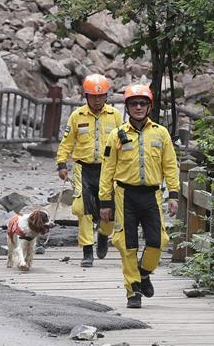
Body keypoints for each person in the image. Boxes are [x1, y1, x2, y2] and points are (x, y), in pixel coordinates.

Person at [98, 84, 179, 308]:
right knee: (127, 244)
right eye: (134, 103)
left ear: (150, 107)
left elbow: (170, 166)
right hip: (125, 195)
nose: (139, 107)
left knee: (158, 241)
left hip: (152, 195)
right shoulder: (116, 135)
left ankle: (144, 273)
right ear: (127, 107)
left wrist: (174, 194)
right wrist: (105, 201)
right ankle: (133, 290)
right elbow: (107, 170)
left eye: (143, 103)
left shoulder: (161, 133)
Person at [55, 74, 124, 267]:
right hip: (83, 168)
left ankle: (103, 234)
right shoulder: (77, 116)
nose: (97, 100)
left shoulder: (115, 116)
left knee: (109, 210)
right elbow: (67, 142)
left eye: (100, 96)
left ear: (106, 96)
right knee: (82, 209)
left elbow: (124, 142)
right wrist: (61, 164)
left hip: (108, 169)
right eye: (93, 96)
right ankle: (87, 251)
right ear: (86, 96)